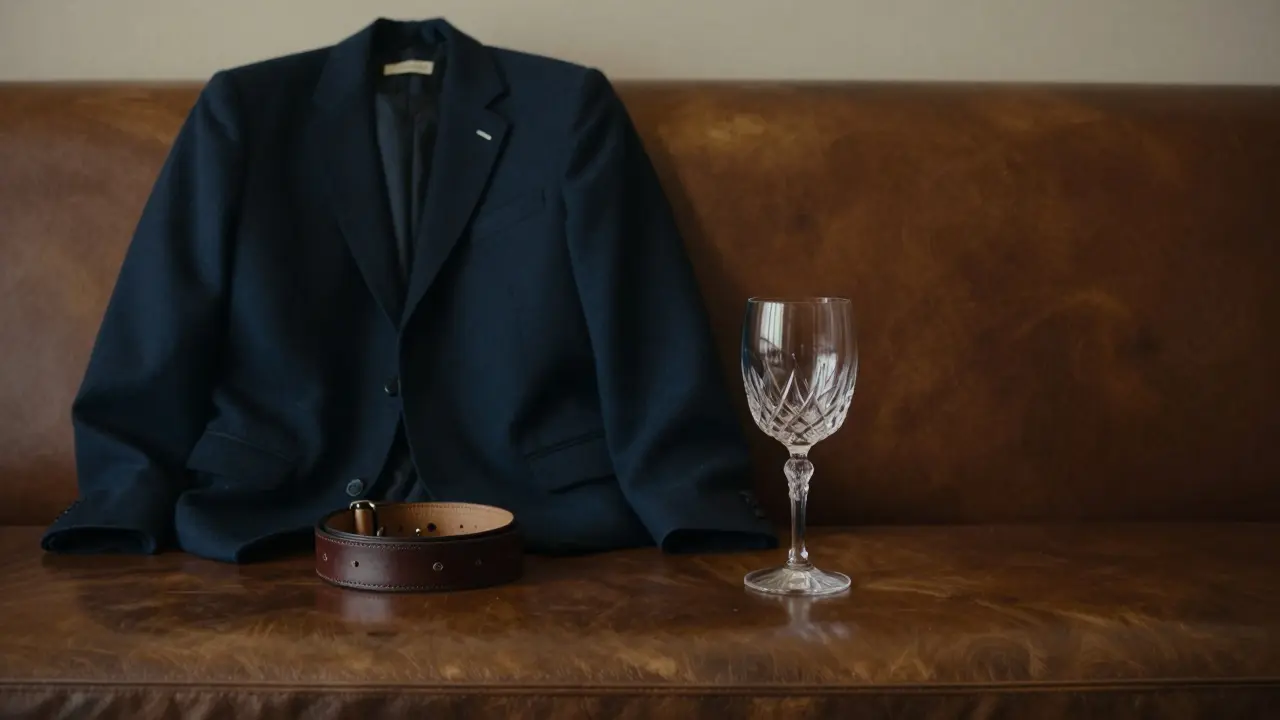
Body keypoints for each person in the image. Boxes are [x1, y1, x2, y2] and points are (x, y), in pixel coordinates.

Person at [42, 17, 776, 563]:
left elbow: (639, 308)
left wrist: (695, 500)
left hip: (525, 498)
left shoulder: (568, 107)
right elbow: (163, 306)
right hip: (284, 495)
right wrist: (120, 498)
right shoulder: (245, 109)